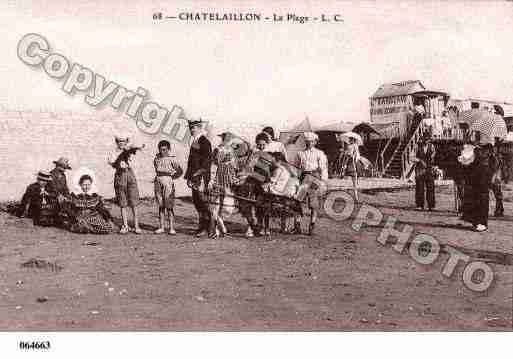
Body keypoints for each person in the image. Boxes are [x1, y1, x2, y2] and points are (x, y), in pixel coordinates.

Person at [460, 131, 497, 232]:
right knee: (475, 198)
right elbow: (466, 162)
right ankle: (476, 222)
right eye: (478, 136)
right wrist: (465, 150)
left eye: (480, 136)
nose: (479, 137)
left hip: (484, 177)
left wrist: (493, 175)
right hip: (474, 177)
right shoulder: (474, 148)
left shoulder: (489, 149)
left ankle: (483, 223)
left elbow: (494, 163)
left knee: (483, 199)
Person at [294, 131, 328, 235]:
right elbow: (297, 168)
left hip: (315, 177)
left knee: (313, 203)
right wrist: (296, 178)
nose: (309, 143)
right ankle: (297, 225)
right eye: (307, 141)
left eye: (311, 141)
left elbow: (323, 168)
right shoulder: (300, 153)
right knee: (298, 201)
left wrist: (323, 181)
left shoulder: (319, 153)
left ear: (315, 142)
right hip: (304, 177)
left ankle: (312, 225)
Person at [107, 135, 142, 234]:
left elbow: (138, 147)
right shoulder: (113, 152)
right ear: (116, 142)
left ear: (126, 142)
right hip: (120, 175)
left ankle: (136, 226)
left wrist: (130, 148)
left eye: (123, 141)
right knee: (122, 202)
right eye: (119, 141)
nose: (121, 143)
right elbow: (111, 162)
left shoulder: (130, 150)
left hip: (130, 174)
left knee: (134, 201)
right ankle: (125, 225)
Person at [184, 119, 212, 237]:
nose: (191, 130)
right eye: (190, 128)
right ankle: (201, 227)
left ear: (199, 128)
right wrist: (189, 177)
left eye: (193, 128)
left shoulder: (204, 141)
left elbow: (206, 162)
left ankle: (208, 228)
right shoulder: (195, 141)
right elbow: (192, 161)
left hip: (201, 178)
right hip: (194, 177)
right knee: (197, 202)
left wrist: (197, 176)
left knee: (203, 202)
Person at [208, 132, 239, 239]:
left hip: (229, 179)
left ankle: (221, 226)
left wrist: (235, 178)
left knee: (227, 207)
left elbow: (235, 166)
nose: (227, 141)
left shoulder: (232, 151)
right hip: (219, 177)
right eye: (226, 139)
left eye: (229, 139)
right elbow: (213, 164)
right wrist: (211, 179)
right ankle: (215, 231)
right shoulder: (217, 149)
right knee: (215, 205)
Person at [153, 140, 183, 235]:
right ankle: (161, 227)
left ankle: (171, 228)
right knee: (161, 205)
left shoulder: (172, 159)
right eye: (161, 150)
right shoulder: (156, 159)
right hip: (158, 180)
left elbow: (180, 171)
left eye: (165, 150)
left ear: (168, 149)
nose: (163, 151)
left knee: (169, 205)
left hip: (168, 181)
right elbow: (156, 168)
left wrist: (171, 178)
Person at [414, 134, 436, 211]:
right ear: (422, 140)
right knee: (420, 187)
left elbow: (434, 156)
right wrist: (419, 160)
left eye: (428, 140)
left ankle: (431, 205)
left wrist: (433, 162)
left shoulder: (432, 146)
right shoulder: (417, 147)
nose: (426, 141)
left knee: (430, 187)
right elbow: (412, 157)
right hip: (420, 169)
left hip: (429, 169)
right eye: (425, 140)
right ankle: (420, 205)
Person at [340, 137, 360, 202]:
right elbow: (356, 156)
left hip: (351, 164)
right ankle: (356, 197)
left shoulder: (350, 146)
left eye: (350, 139)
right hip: (354, 164)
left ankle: (351, 197)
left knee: (348, 181)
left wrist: (344, 166)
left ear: (352, 140)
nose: (349, 140)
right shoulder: (355, 147)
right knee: (354, 182)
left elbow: (348, 156)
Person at [490, 138, 504, 217]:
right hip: (496, 176)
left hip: (495, 176)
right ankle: (500, 210)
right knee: (498, 194)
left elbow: (496, 167)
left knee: (497, 194)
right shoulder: (497, 156)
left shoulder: (496, 156)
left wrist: (493, 176)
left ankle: (499, 210)